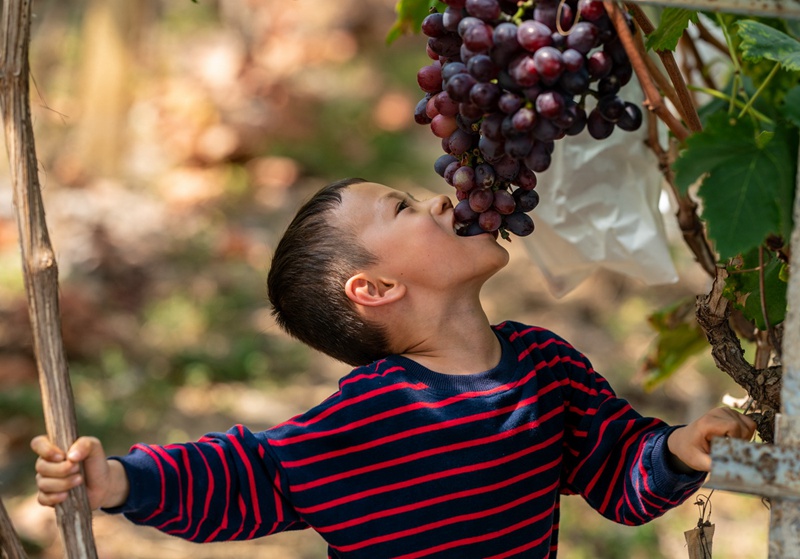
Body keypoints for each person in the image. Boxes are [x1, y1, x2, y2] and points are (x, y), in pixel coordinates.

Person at [32, 178, 756, 558]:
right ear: (375, 290)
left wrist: (675, 450)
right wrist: (120, 479)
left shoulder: (544, 364)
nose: (441, 198)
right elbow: (255, 474)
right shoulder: (375, 414)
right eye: (403, 207)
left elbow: (616, 472)